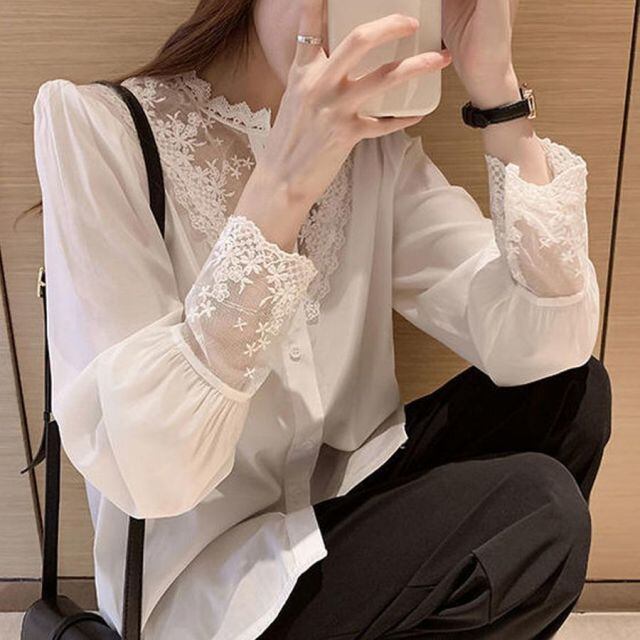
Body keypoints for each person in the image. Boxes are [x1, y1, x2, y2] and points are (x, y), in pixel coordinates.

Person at [31, 0, 611, 638]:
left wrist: (496, 87)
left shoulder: (372, 149)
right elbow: (151, 473)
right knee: (539, 508)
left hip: (342, 513)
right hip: (209, 587)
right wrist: (283, 187)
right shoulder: (101, 129)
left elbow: (547, 343)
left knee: (573, 391)